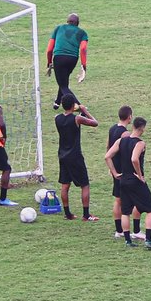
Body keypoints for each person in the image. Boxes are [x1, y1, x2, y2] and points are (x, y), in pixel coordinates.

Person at [109, 114, 151, 248]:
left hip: (123, 180)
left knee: (125, 211)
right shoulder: (140, 143)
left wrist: (114, 173)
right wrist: (140, 175)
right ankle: (148, 240)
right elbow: (134, 159)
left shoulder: (121, 140)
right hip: (135, 180)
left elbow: (107, 156)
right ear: (142, 128)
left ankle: (127, 240)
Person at [53, 92, 99, 221]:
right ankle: (86, 214)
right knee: (85, 184)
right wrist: (84, 110)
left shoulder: (57, 118)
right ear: (74, 105)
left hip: (62, 155)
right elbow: (95, 123)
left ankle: (68, 214)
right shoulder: (77, 119)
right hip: (75, 156)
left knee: (65, 185)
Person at [106, 105, 135, 242]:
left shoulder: (112, 129)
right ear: (129, 117)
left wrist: (110, 168)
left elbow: (108, 148)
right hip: (121, 170)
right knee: (122, 199)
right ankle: (124, 230)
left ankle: (119, 229)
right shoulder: (125, 134)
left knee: (118, 199)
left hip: (114, 168)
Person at [46, 13, 88, 99]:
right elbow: (83, 48)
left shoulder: (58, 28)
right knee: (64, 81)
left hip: (59, 58)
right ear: (78, 23)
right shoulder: (82, 32)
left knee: (63, 85)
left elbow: (49, 49)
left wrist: (49, 62)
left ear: (67, 21)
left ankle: (80, 107)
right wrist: (83, 65)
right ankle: (57, 102)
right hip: (73, 59)